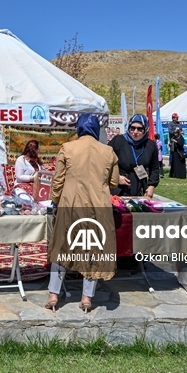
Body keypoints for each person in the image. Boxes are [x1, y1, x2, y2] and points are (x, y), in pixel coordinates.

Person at [46, 114, 118, 313]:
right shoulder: (108, 151)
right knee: (93, 251)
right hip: (98, 207)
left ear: (79, 128)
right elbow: (113, 182)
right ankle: (86, 298)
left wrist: (55, 201)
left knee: (61, 247)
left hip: (71, 204)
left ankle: (53, 294)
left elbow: (58, 180)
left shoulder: (67, 148)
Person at [108, 114, 159, 198]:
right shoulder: (118, 141)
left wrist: (151, 185)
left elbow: (155, 168)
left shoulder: (150, 145)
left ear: (145, 129)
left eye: (140, 129)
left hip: (140, 187)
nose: (135, 132)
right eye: (132, 128)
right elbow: (105, 162)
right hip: (118, 188)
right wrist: (116, 177)